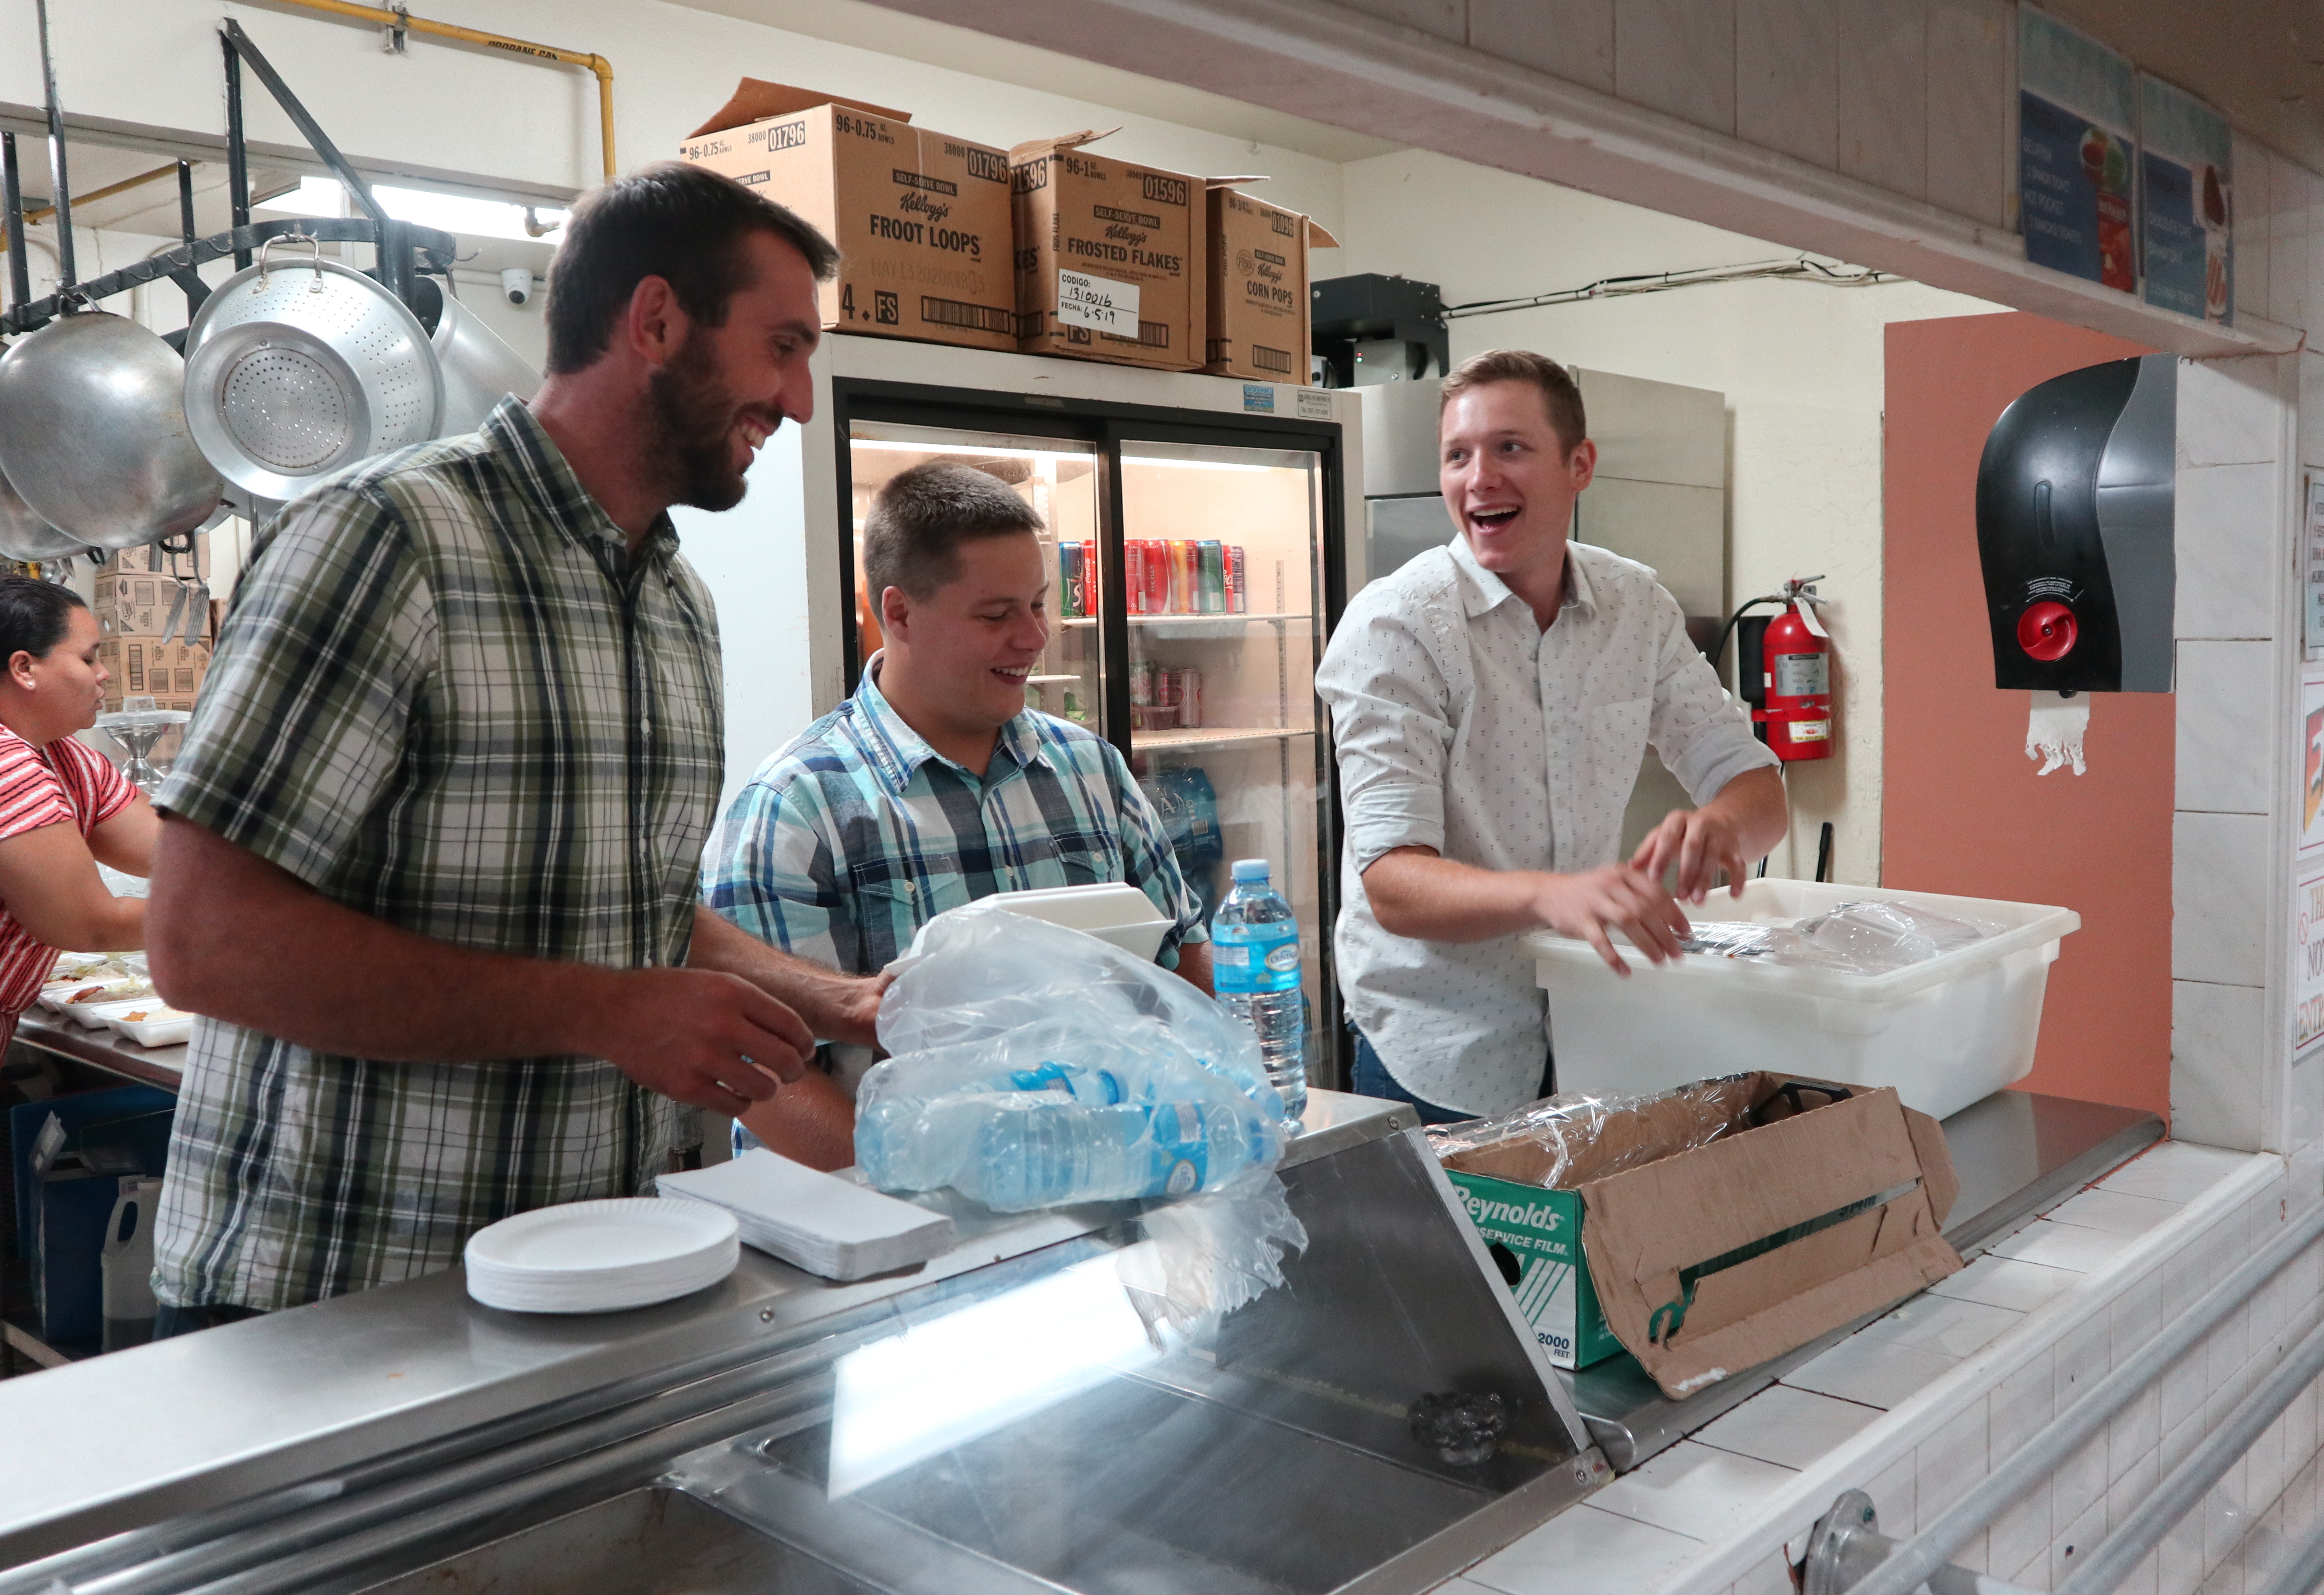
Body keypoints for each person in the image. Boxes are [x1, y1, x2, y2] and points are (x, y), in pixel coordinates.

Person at [144, 162, 883, 1333]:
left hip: (590, 1274)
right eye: (782, 345)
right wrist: (601, 1010)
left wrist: (841, 1001)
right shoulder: (387, 540)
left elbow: (624, 903)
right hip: (334, 1297)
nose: (798, 400)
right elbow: (204, 944)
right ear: (654, 321)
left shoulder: (675, 603)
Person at [1315, 349, 1788, 1125]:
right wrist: (1554, 894)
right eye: (1458, 455)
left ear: (1579, 465)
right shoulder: (1395, 625)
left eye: (1511, 447)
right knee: (1459, 1252)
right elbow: (1393, 881)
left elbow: (1757, 783)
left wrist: (1720, 826)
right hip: (1439, 1055)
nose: (1480, 478)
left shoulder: (1635, 606)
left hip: (1598, 1029)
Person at [703, 461, 1211, 1160]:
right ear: (899, 612)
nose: (1033, 638)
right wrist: (933, 1186)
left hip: (1095, 1185)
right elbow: (765, 1079)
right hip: (885, 1232)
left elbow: (1184, 967)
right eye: (997, 615)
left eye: (1037, 605)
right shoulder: (797, 808)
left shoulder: (1092, 771)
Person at [0, 578, 159, 1046]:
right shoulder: (6, 765)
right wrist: (239, 921)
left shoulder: (67, 758)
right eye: (88, 658)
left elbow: (168, 846)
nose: (103, 673)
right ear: (24, 668)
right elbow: (88, 922)